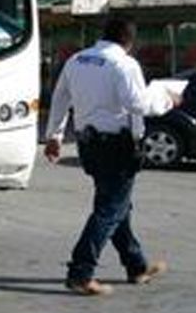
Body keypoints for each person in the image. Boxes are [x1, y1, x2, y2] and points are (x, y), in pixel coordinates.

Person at [44, 17, 180, 296]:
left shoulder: (77, 60)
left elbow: (60, 98)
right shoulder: (124, 64)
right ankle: (80, 272)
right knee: (110, 210)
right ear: (129, 41)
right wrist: (168, 99)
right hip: (117, 146)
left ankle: (136, 266)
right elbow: (137, 104)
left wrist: (54, 136)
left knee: (118, 207)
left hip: (89, 145)